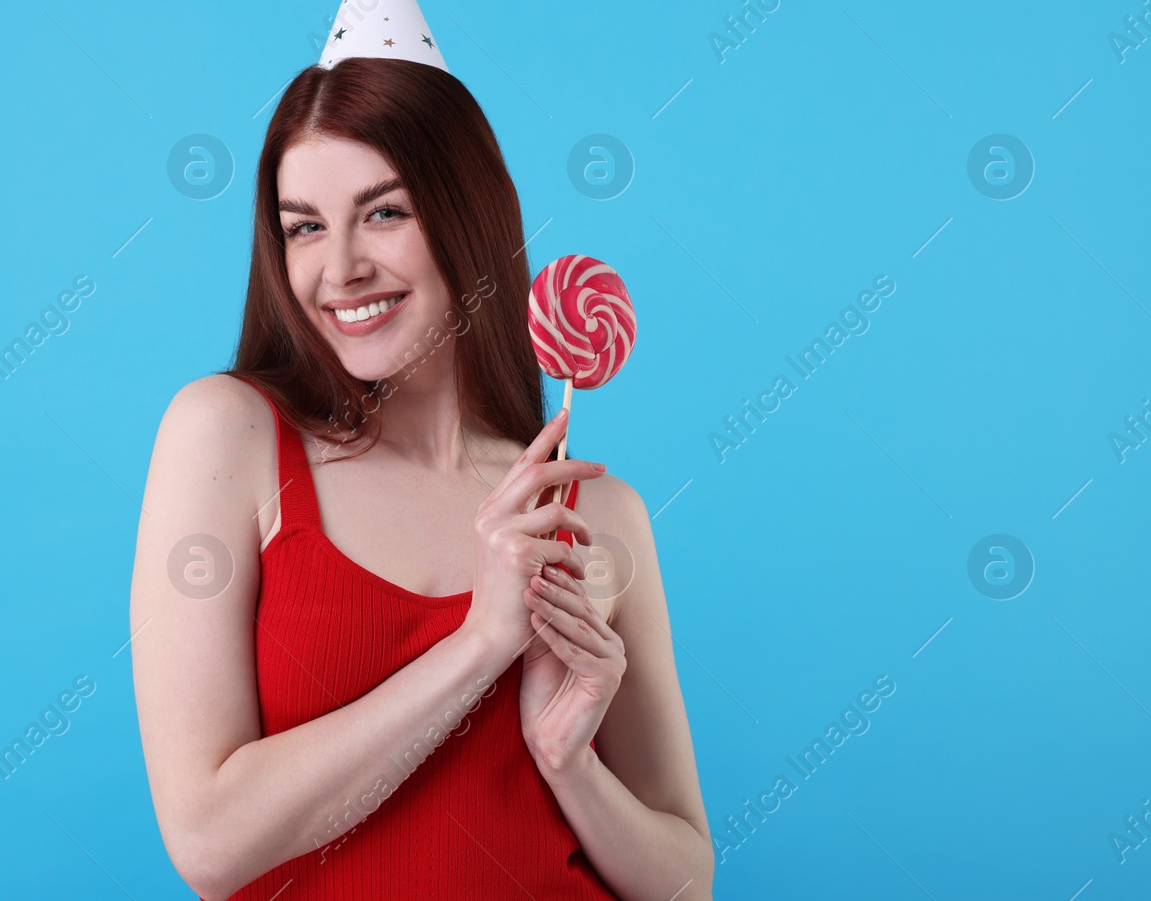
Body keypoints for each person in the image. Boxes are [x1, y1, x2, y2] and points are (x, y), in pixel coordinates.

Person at [129, 52, 713, 900]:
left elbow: (686, 883)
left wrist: (568, 761)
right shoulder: (229, 434)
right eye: (305, 226)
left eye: (384, 212)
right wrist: (481, 645)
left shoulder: (596, 513)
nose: (341, 269)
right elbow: (210, 843)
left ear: (467, 212)